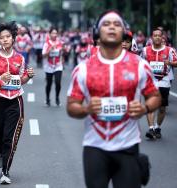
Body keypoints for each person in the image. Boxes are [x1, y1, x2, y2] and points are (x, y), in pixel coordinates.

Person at [66, 11, 161, 188]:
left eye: (116, 24)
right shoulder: (84, 69)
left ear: (124, 32)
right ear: (97, 33)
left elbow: (155, 96)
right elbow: (71, 106)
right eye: (106, 24)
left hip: (127, 145)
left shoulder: (140, 65)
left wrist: (144, 108)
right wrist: (87, 109)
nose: (111, 27)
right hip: (95, 146)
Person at [0, 22, 35, 184]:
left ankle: (5, 171)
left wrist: (29, 76)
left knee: (9, 138)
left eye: (7, 37)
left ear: (13, 39)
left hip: (15, 101)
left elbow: (21, 80)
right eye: (1, 37)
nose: (5, 40)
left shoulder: (20, 58)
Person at [141, 28, 177, 139]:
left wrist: (169, 62)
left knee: (162, 108)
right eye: (155, 35)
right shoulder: (145, 50)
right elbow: (140, 63)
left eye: (159, 35)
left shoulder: (170, 50)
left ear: (162, 38)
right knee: (150, 105)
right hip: (150, 81)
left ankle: (157, 127)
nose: (157, 37)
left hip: (164, 80)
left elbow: (176, 63)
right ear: (152, 37)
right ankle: (151, 128)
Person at [42, 27, 64, 106]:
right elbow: (43, 55)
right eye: (53, 33)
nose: (54, 35)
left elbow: (62, 53)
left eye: (55, 33)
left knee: (58, 82)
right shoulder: (46, 44)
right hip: (49, 66)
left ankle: (57, 97)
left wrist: (63, 57)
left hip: (58, 65)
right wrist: (49, 50)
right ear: (49, 34)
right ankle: (47, 98)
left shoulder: (60, 43)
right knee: (49, 83)